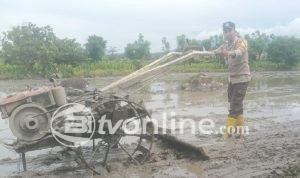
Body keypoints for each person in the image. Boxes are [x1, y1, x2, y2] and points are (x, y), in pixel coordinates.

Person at [214, 21, 251, 138]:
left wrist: (228, 53)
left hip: (242, 78)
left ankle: (227, 135)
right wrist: (215, 53)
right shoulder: (225, 44)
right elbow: (215, 52)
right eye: (225, 31)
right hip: (232, 80)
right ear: (223, 33)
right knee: (236, 105)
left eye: (230, 30)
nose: (227, 33)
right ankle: (241, 133)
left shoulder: (241, 41)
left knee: (234, 107)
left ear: (234, 31)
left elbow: (240, 52)